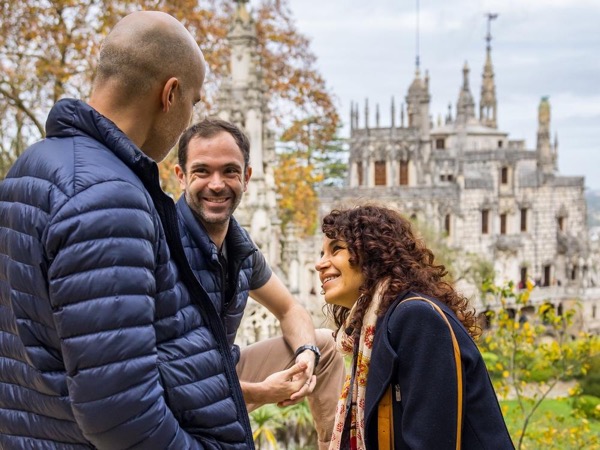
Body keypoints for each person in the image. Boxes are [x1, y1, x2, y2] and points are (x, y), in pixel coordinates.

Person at [0, 11, 255, 449]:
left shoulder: (32, 167)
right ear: (170, 94)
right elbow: (120, 413)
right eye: (193, 102)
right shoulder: (108, 195)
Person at [174, 118, 345, 450]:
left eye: (229, 171)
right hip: (174, 397)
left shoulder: (240, 248)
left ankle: (333, 445)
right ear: (180, 177)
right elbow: (163, 373)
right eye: (202, 172)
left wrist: (305, 355)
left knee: (324, 345)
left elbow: (290, 308)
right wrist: (261, 391)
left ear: (247, 177)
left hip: (224, 372)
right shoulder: (161, 241)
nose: (217, 184)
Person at [315, 205, 514, 449]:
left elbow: (430, 440)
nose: (320, 264)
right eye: (321, 253)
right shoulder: (371, 329)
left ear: (372, 252)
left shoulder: (415, 318)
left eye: (336, 250)